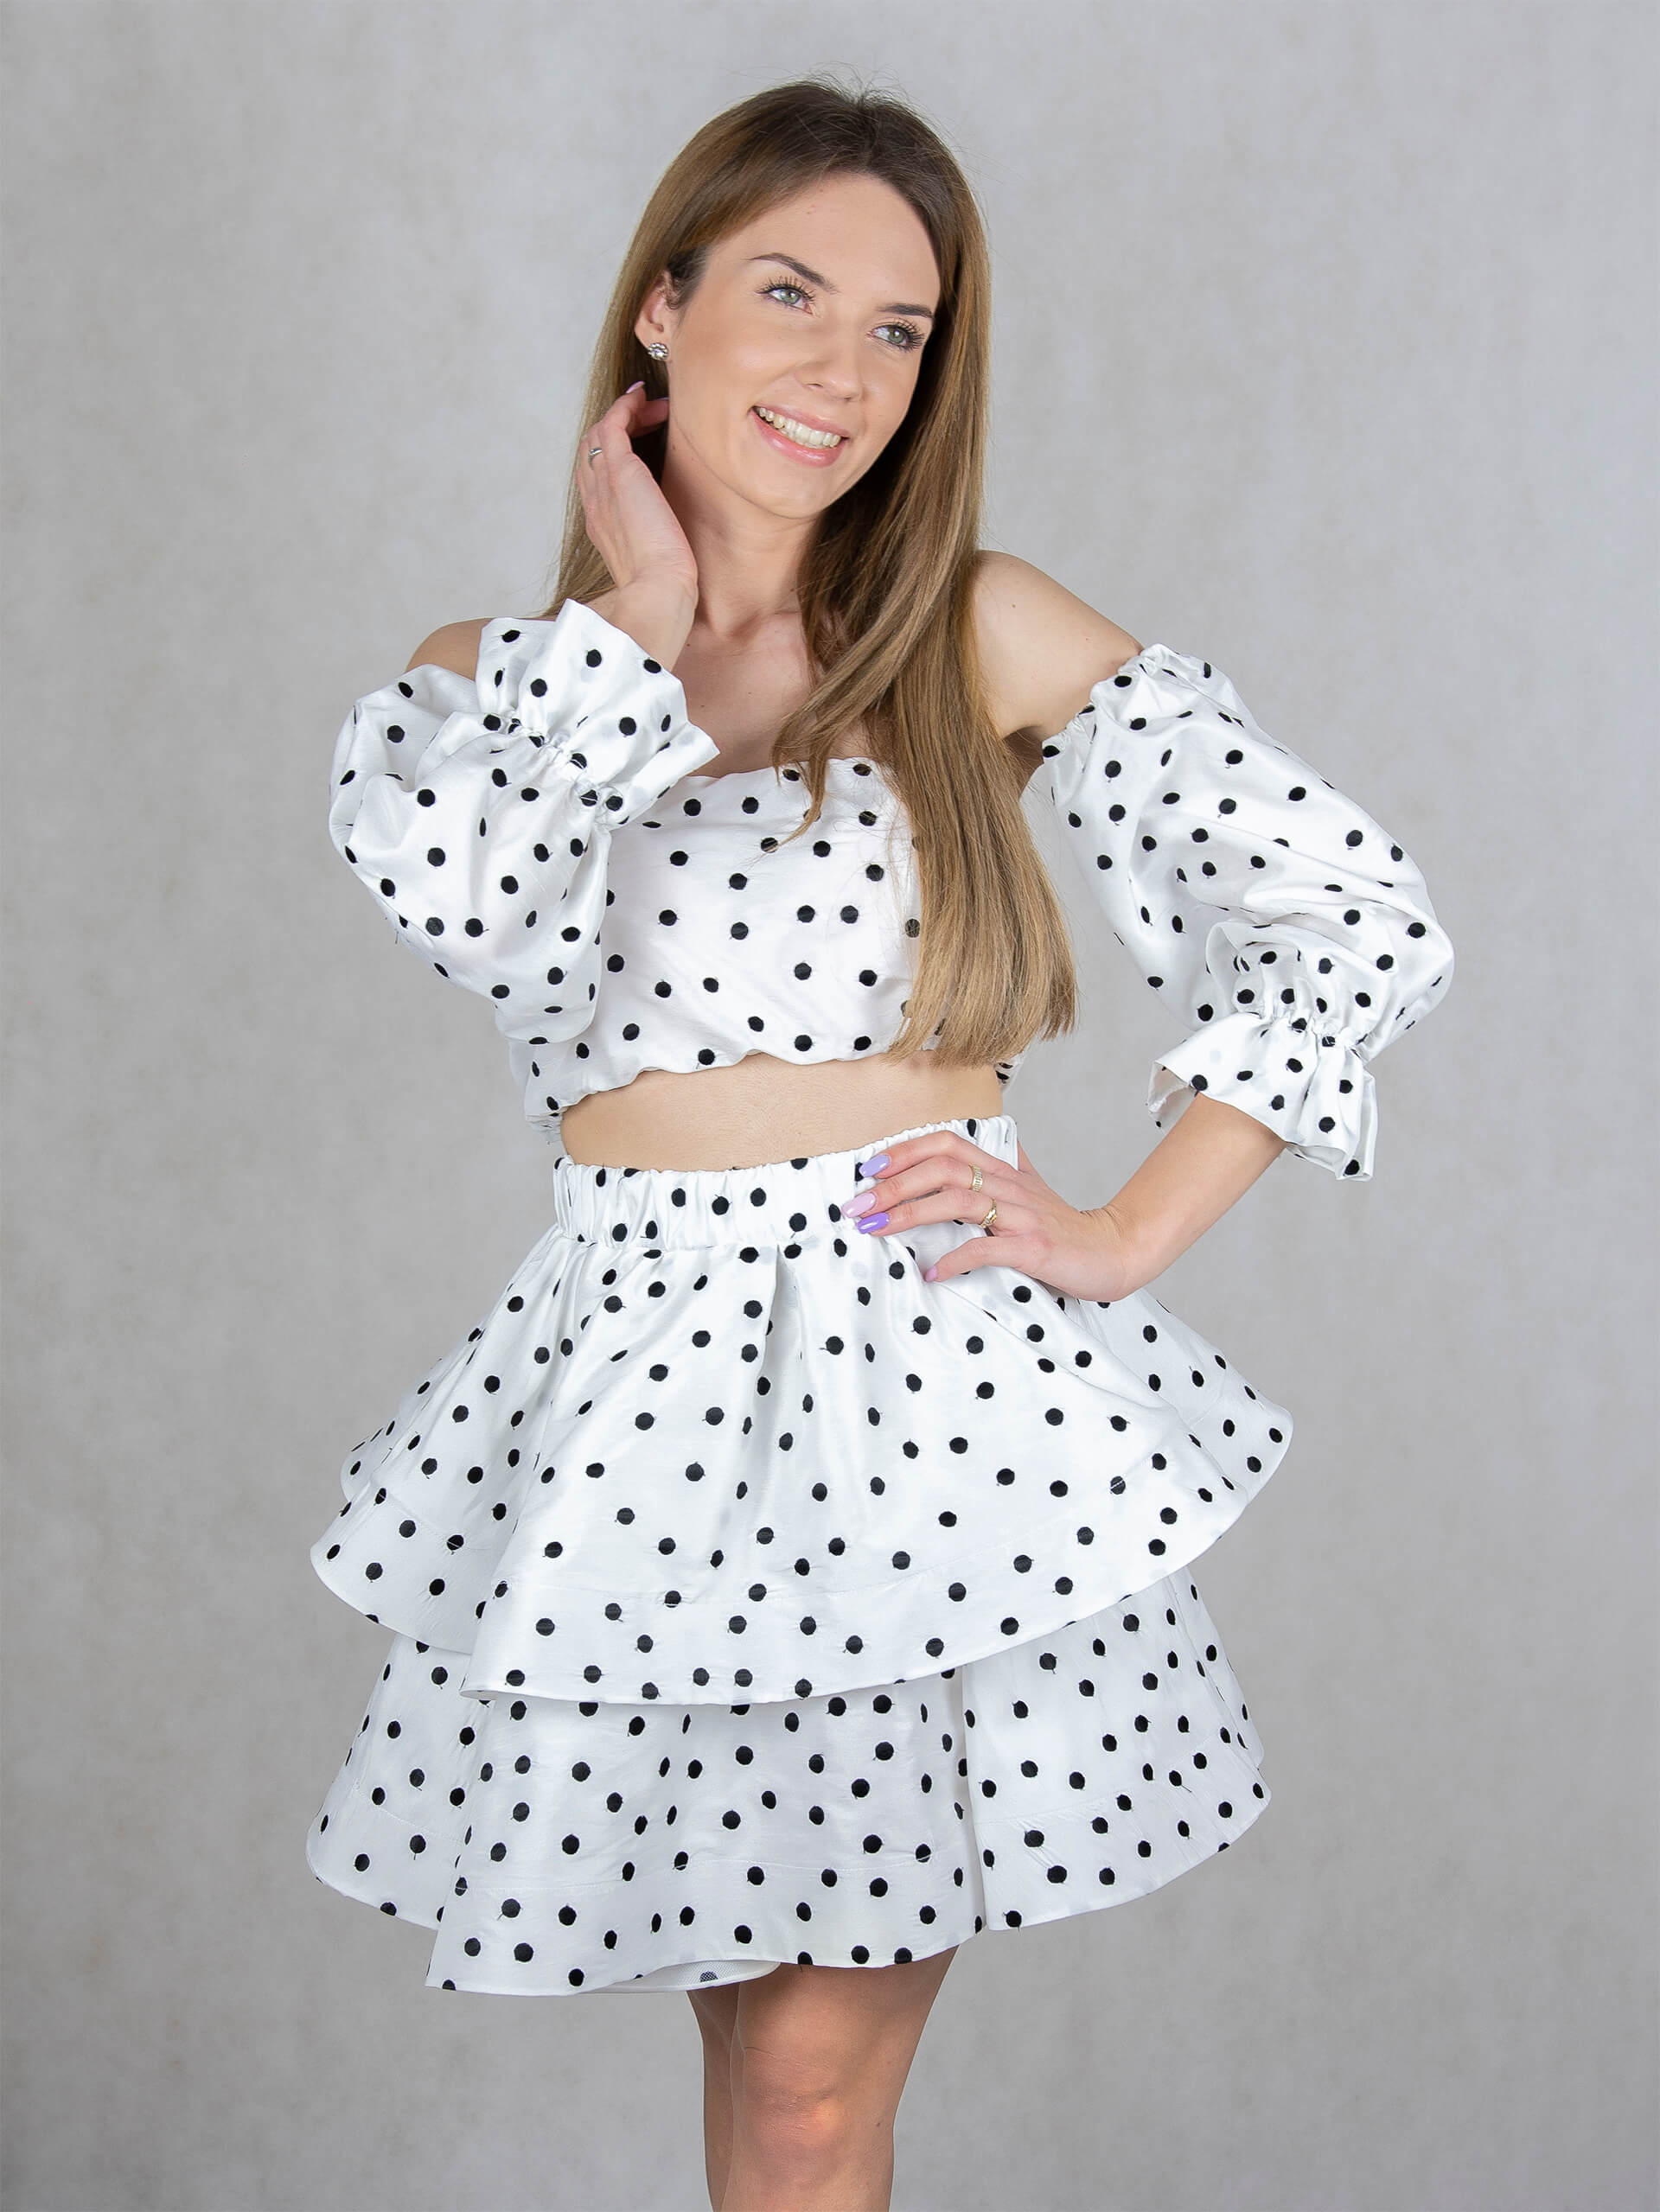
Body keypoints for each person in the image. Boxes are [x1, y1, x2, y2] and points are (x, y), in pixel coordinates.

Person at [305, 76, 1454, 2212]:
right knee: (761, 2083)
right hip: (635, 1408)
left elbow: (1352, 917)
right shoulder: (499, 682)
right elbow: (463, 911)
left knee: (814, 2095)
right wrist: (636, 613)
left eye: (901, 329)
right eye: (788, 293)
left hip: (911, 1392)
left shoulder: (973, 629)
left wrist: (1126, 1232)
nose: (843, 370)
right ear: (661, 310)